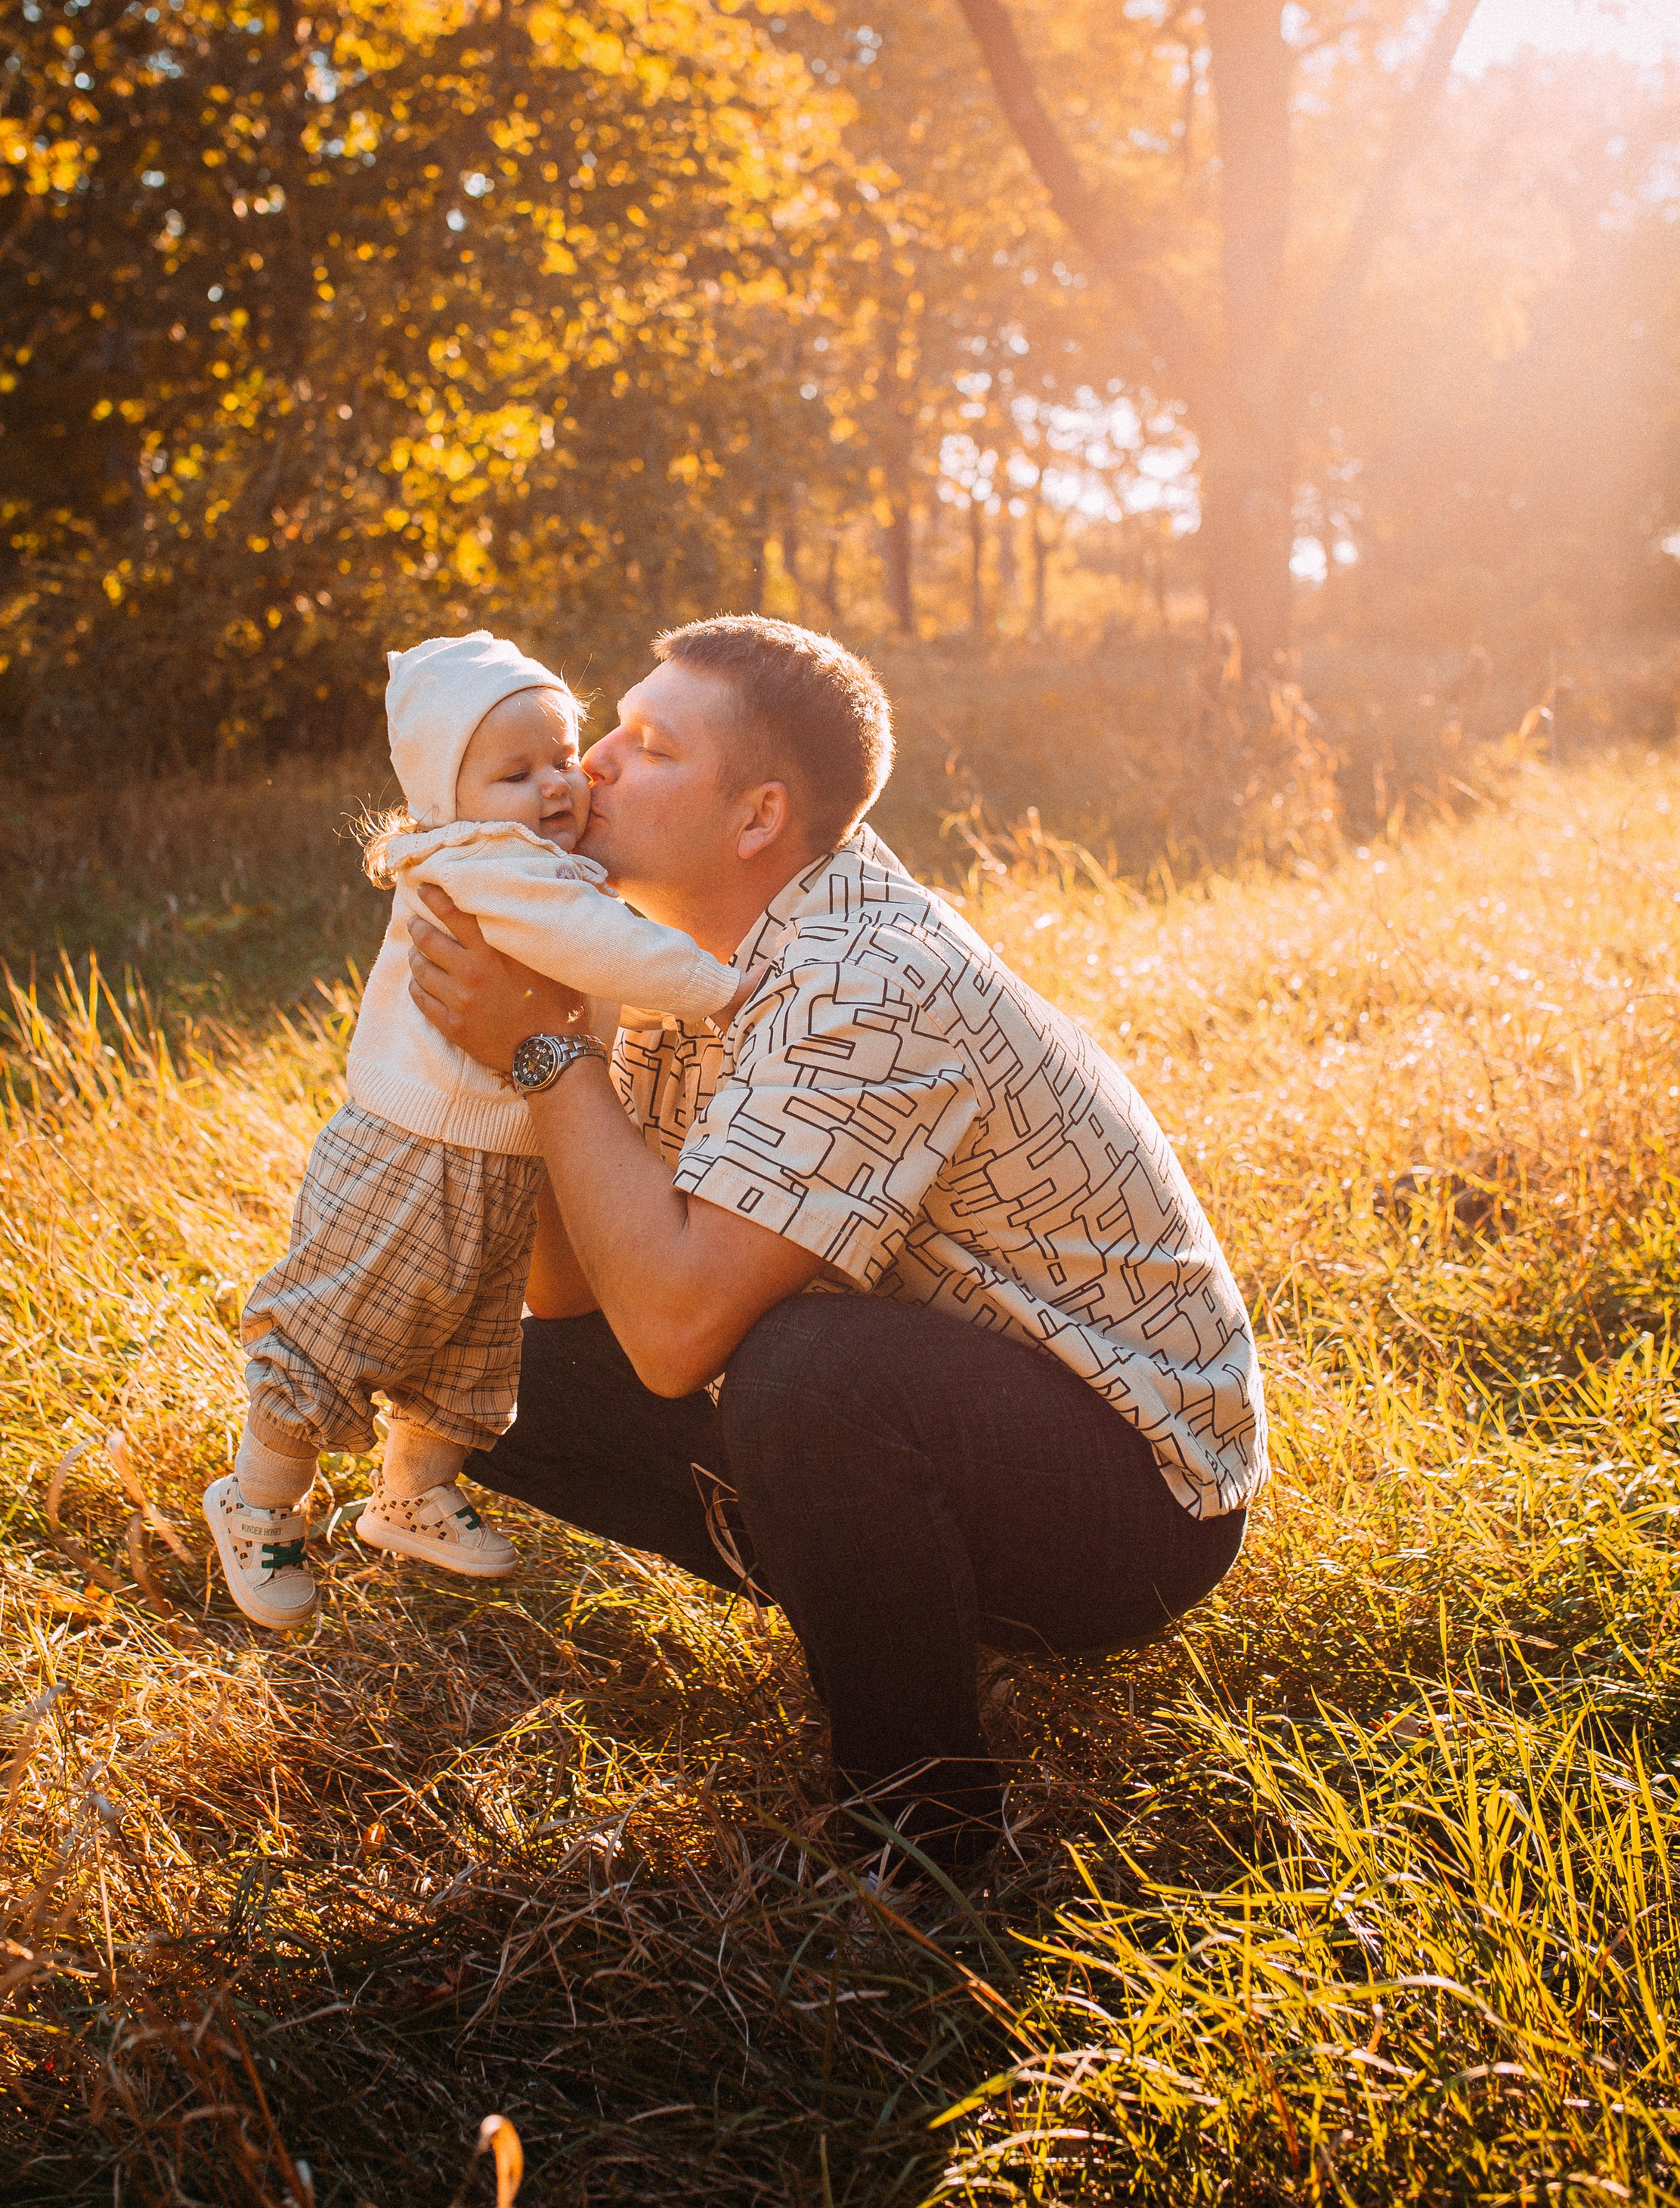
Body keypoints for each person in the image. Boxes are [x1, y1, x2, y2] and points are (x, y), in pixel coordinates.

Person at [406, 615, 1267, 1868]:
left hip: (1136, 1499)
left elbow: (674, 1336)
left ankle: (922, 1830)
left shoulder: (870, 977)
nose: (591, 762)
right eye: (615, 725)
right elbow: (576, 1300)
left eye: (647, 747)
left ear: (756, 819)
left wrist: (546, 1053)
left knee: (804, 1369)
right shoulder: (680, 961)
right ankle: (888, 1593)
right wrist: (534, 1033)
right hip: (973, 1411)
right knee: (476, 1371)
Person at [203, 632, 750, 1631]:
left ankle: (412, 1495)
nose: (554, 786)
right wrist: (726, 988)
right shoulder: (486, 865)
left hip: (496, 1159)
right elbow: (599, 948)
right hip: (415, 1151)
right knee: (344, 1327)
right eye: (514, 773)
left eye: (559, 758)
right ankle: (258, 1502)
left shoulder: (540, 858)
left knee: (471, 1345)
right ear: (444, 799)